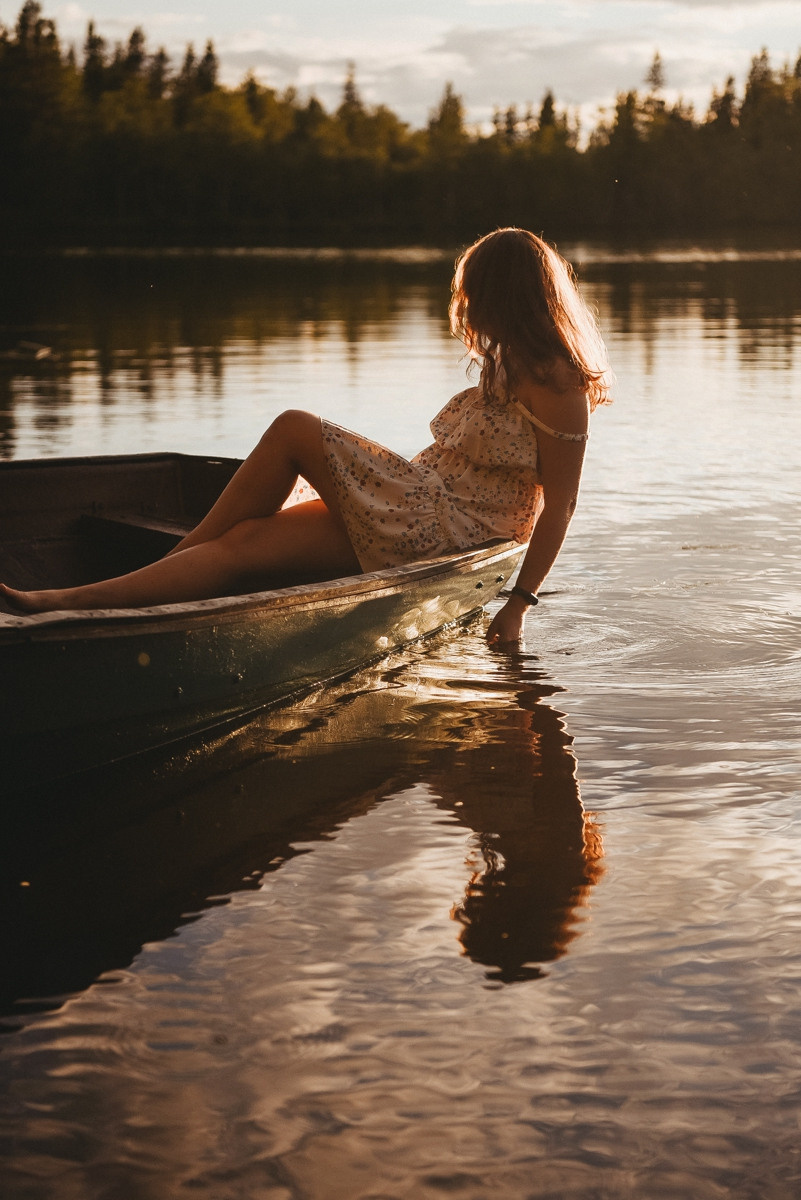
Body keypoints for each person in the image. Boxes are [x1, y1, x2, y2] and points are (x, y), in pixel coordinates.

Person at [1, 228, 611, 643]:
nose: (468, 309)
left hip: (452, 531)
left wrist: (519, 605)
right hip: (423, 504)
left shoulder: (559, 382)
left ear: (508, 297)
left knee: (294, 428)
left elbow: (561, 505)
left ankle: (98, 591)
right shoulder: (507, 360)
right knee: (244, 542)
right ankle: (88, 597)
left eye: (476, 295)